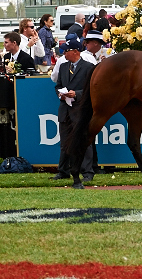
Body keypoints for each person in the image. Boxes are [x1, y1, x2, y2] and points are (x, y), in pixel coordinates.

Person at [50, 38, 96, 185]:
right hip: (65, 109)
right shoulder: (63, 67)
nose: (63, 53)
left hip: (80, 110)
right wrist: (60, 94)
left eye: (66, 50)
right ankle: (63, 171)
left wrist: (76, 94)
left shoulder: (89, 67)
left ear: (76, 51)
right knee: (64, 142)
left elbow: (92, 90)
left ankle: (87, 172)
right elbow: (58, 85)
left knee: (84, 141)